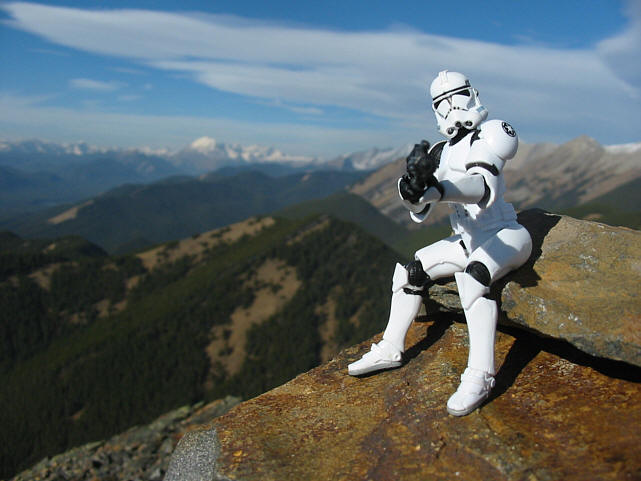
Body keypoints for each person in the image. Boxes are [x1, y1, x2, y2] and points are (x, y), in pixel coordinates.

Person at [347, 70, 532, 416]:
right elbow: (420, 206)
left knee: (474, 278)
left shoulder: (491, 135)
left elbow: (481, 187)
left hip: (505, 234)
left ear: (472, 94)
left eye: (455, 97)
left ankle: (481, 374)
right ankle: (390, 346)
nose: (450, 107)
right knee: (410, 271)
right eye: (441, 102)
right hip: (468, 238)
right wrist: (413, 191)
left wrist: (438, 190)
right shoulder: (439, 152)